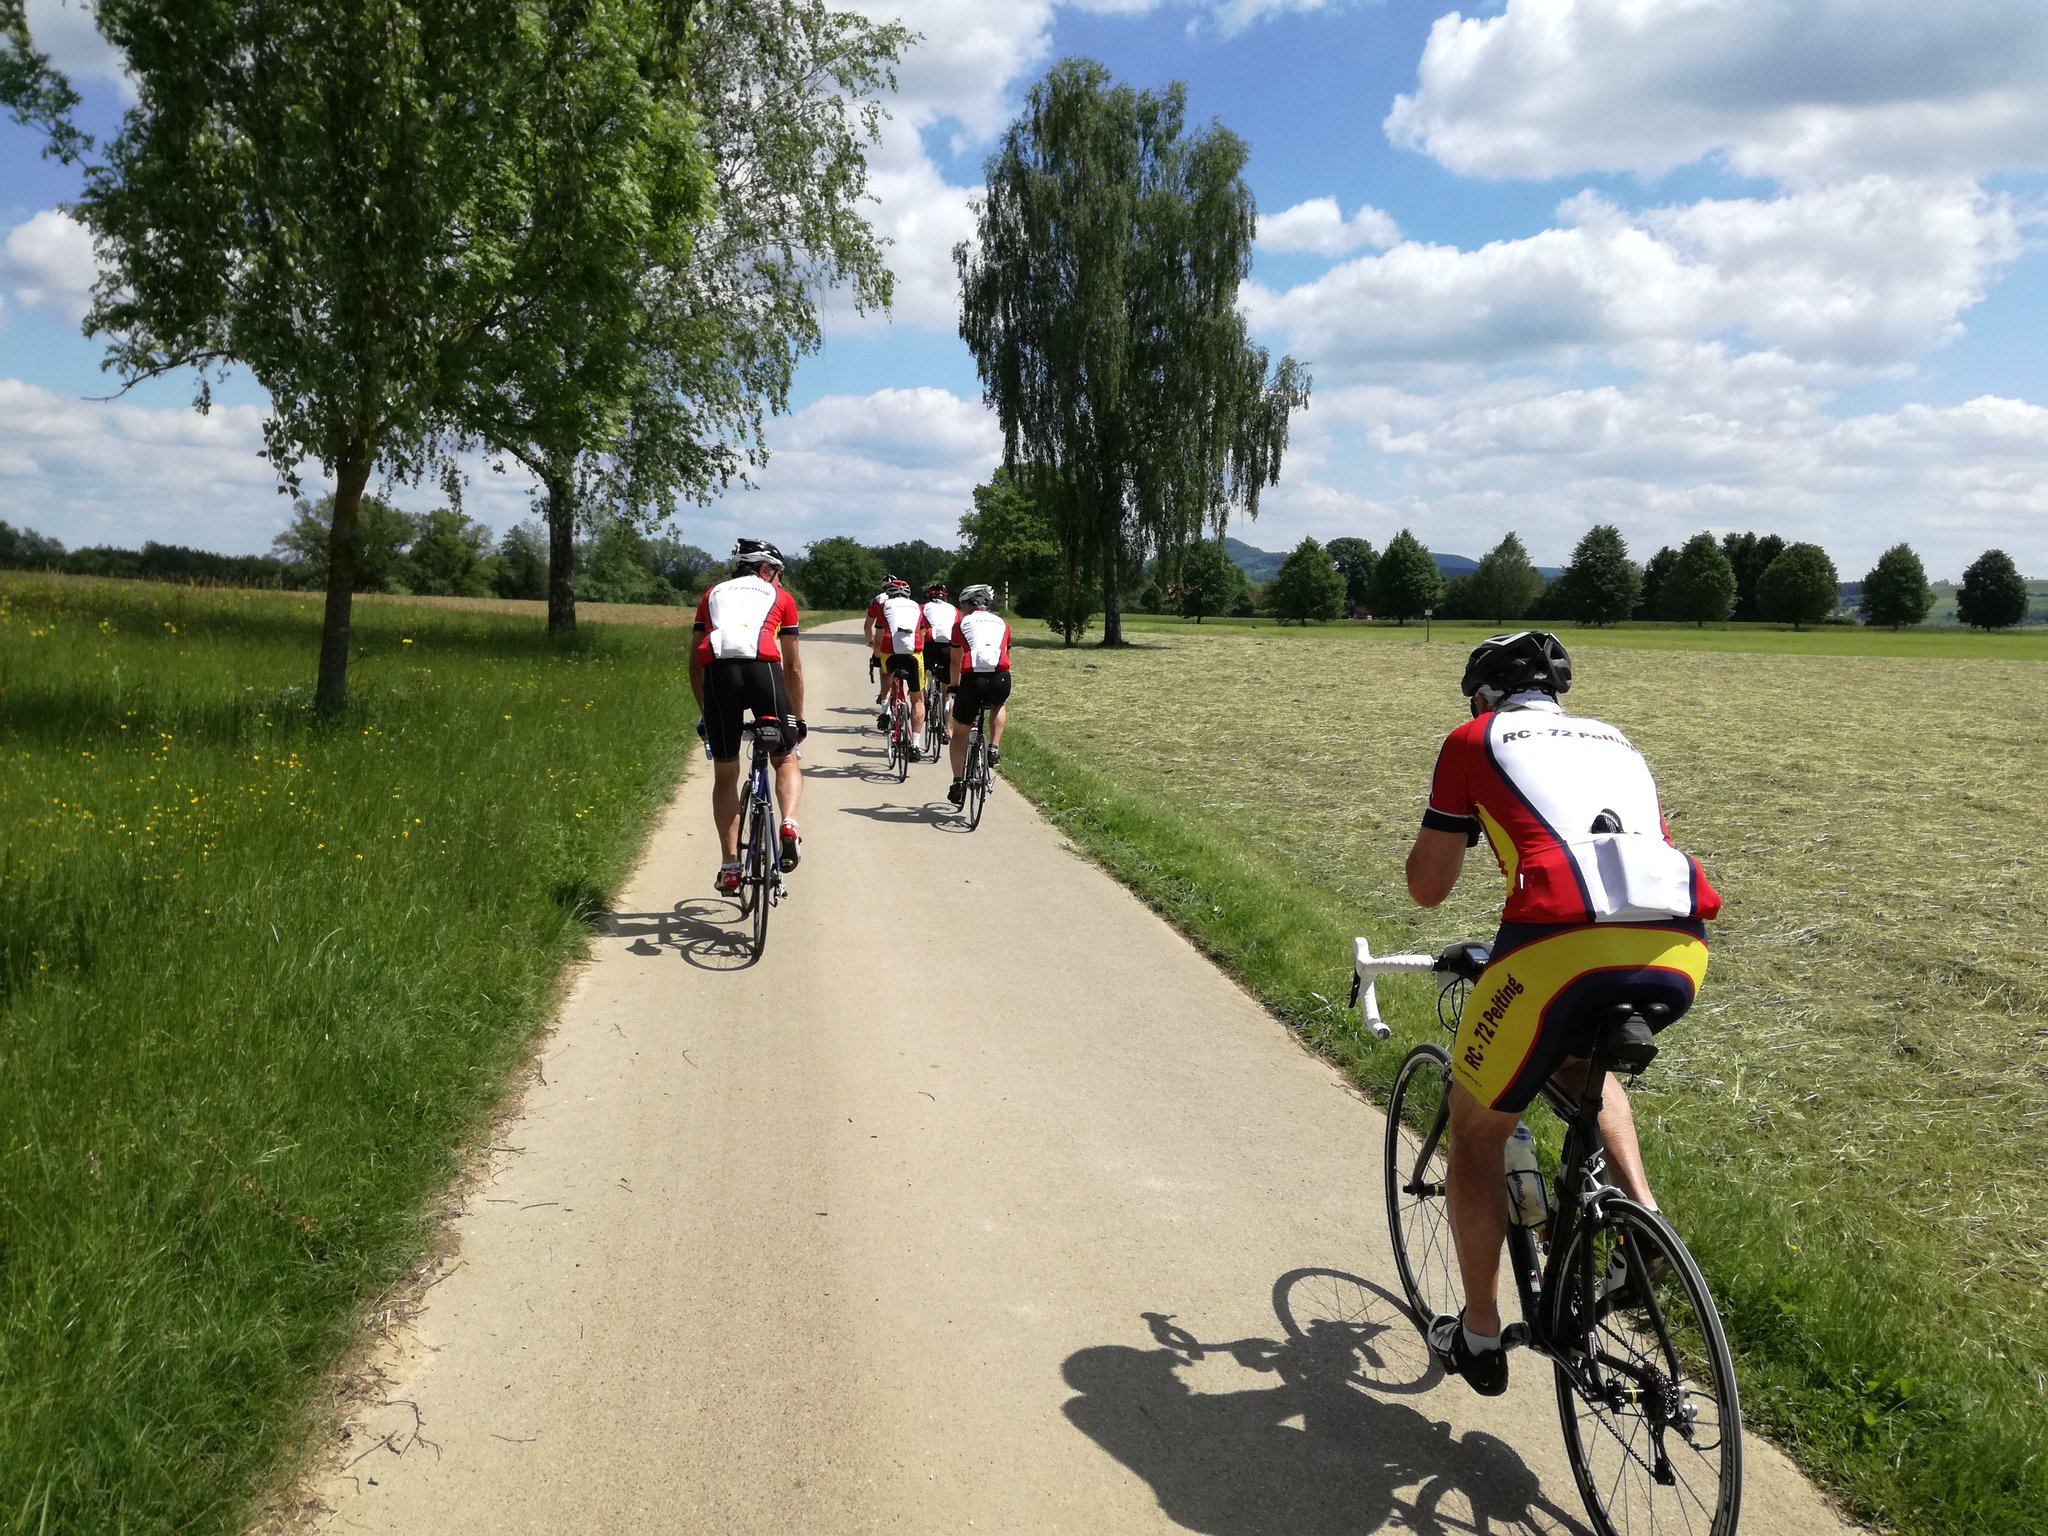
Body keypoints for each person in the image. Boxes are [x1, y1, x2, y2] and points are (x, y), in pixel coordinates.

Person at [1403, 630, 1720, 1396]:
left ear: (1484, 695)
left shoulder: (1475, 739)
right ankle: (1642, 1222)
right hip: (1679, 950)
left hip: (1556, 949)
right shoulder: (1616, 742)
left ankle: (1481, 1333)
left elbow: (1427, 888)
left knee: (1477, 1126)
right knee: (1581, 1061)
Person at [690, 539, 807, 891]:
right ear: (765, 569)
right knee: (785, 758)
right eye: (779, 573)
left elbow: (694, 664)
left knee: (726, 773)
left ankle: (730, 866)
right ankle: (789, 823)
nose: (781, 581)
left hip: (719, 674)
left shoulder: (710, 595)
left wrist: (706, 714)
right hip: (762, 671)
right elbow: (793, 667)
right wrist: (798, 719)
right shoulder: (780, 597)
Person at [947, 584, 1012, 808]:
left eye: (962, 605)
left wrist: (954, 686)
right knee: (998, 704)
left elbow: (955, 660)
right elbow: (1006, 653)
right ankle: (993, 747)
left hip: (973, 679)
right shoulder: (1003, 623)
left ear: (968, 604)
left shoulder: (961, 624)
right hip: (1000, 678)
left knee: (960, 733)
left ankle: (958, 783)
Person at [869, 576, 930, 739]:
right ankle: (915, 743)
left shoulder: (884, 606)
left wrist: (876, 656)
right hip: (913, 654)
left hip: (891, 653)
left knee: (885, 674)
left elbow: (879, 639)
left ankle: (885, 711)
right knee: (917, 700)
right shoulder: (917, 607)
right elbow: (922, 635)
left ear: (889, 594)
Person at [921, 581, 961, 713]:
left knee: (921, 671)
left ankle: (924, 698)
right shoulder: (954, 609)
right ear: (945, 597)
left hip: (930, 643)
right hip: (948, 646)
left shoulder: (923, 608)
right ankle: (945, 706)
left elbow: (919, 628)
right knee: (947, 680)